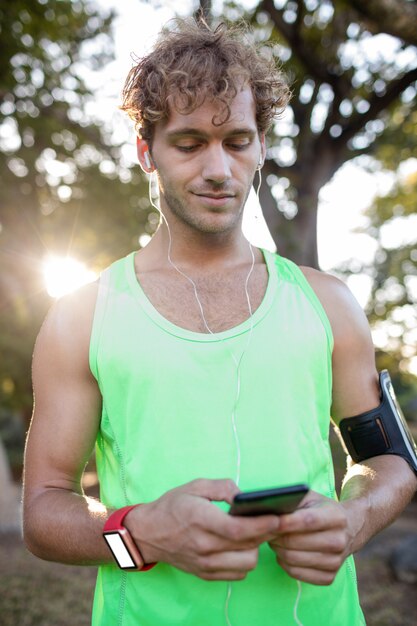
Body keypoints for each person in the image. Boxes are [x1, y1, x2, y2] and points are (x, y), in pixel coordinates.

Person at [23, 17, 416, 626]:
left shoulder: (328, 302)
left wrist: (356, 518)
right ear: (145, 151)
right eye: (188, 143)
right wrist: (142, 536)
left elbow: (389, 459)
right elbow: (45, 512)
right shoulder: (82, 316)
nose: (218, 168)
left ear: (260, 146)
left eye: (236, 141)